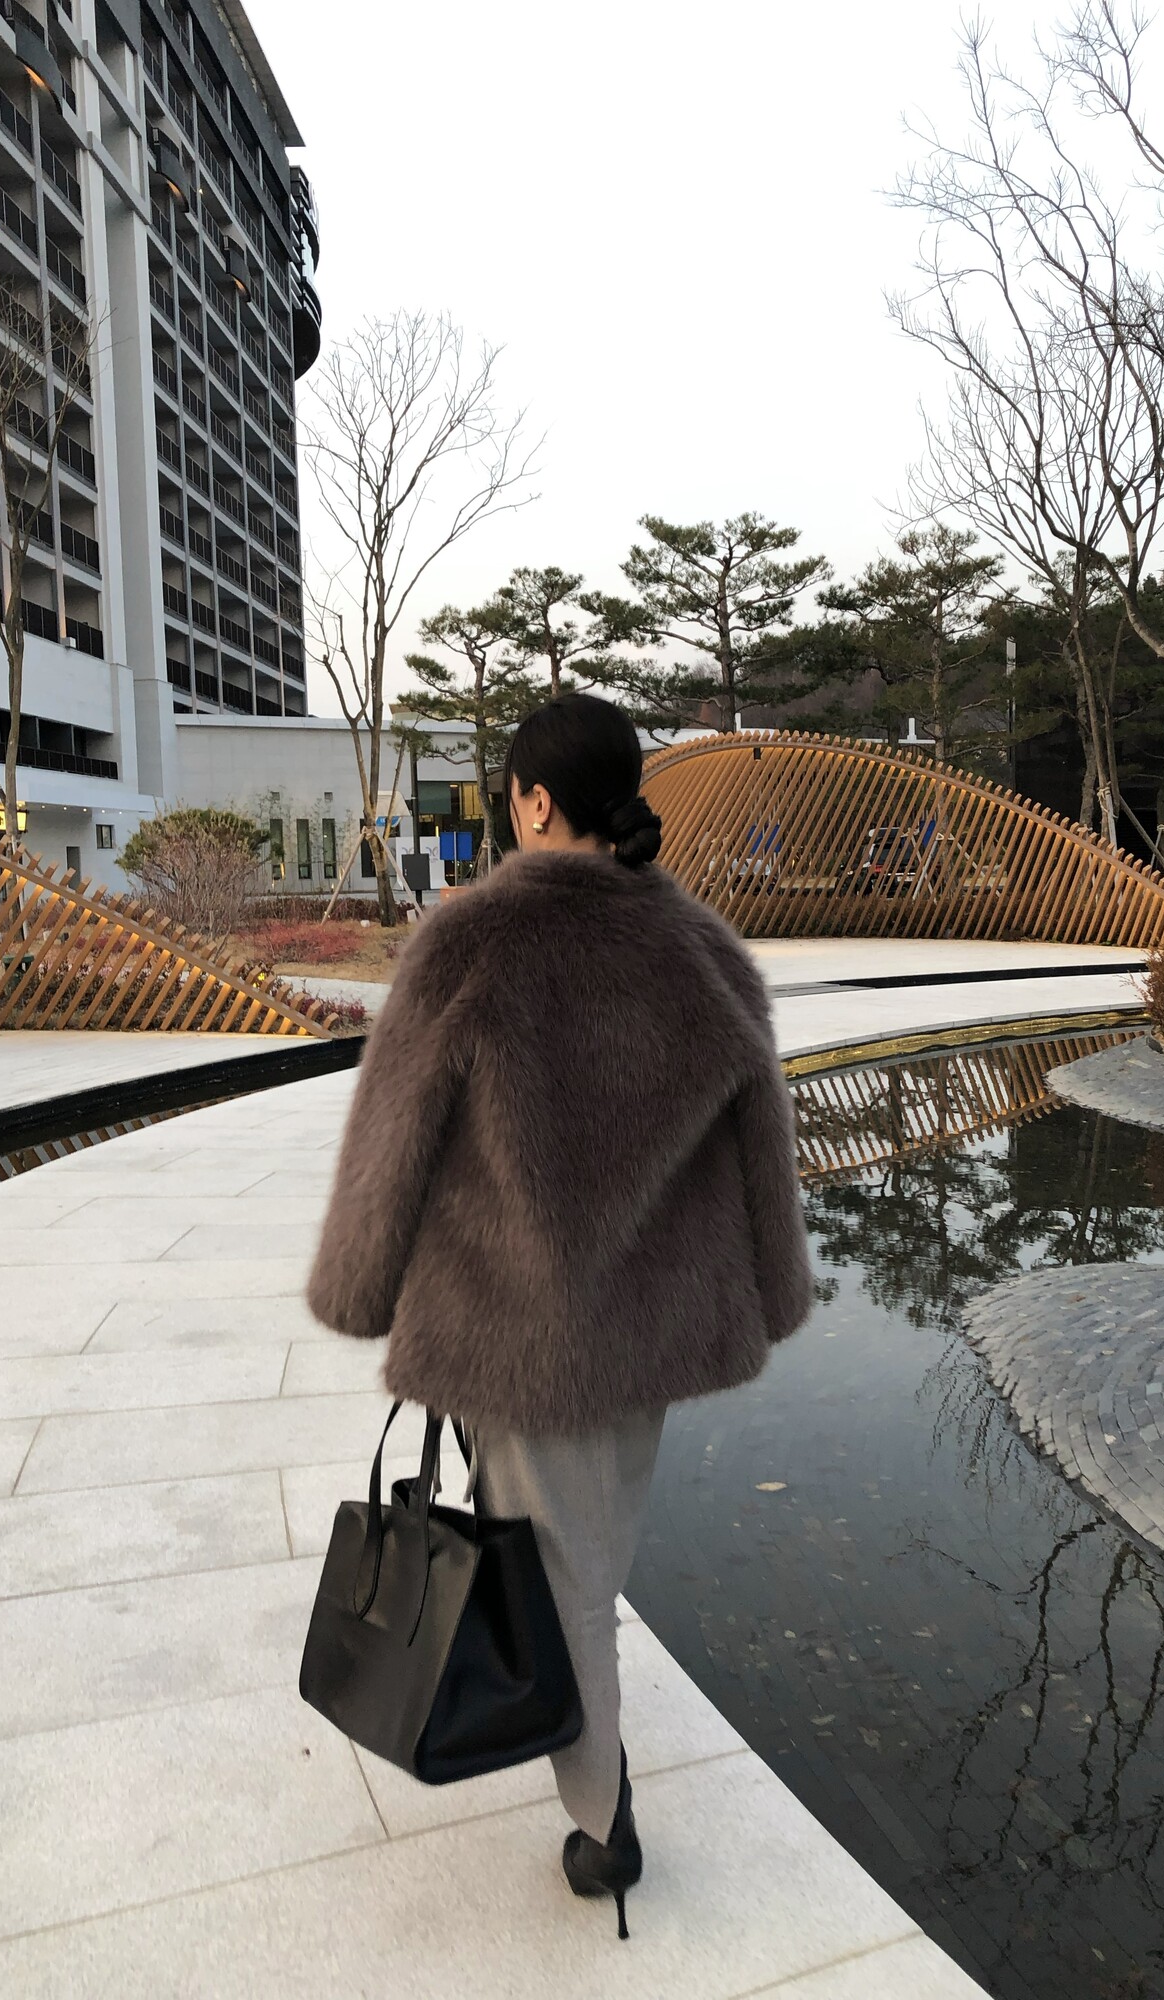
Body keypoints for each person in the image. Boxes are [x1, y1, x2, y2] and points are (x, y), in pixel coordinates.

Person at [307, 691, 811, 1937]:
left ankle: (605, 1820)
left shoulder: (472, 939)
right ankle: (596, 1779)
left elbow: (393, 1131)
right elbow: (764, 1137)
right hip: (650, 1329)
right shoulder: (703, 949)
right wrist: (774, 1285)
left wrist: (360, 1284)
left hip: (519, 1330)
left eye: (509, 795)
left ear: (533, 800)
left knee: (572, 1582)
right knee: (586, 1559)